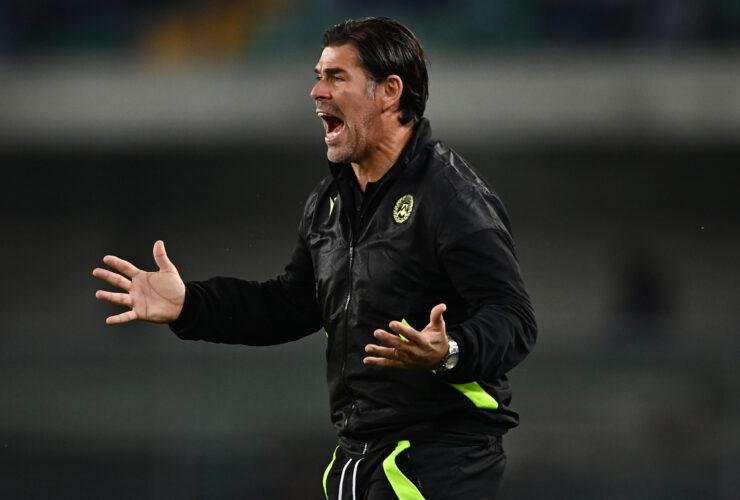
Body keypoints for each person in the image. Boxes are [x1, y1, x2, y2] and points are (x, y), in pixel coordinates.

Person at [93, 17, 536, 500]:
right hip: (357, 455)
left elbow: (514, 318)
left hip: (441, 455)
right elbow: (290, 305)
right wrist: (190, 305)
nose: (317, 92)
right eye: (319, 76)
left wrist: (449, 350)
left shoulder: (451, 197)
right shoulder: (329, 203)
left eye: (336, 77)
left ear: (389, 92)